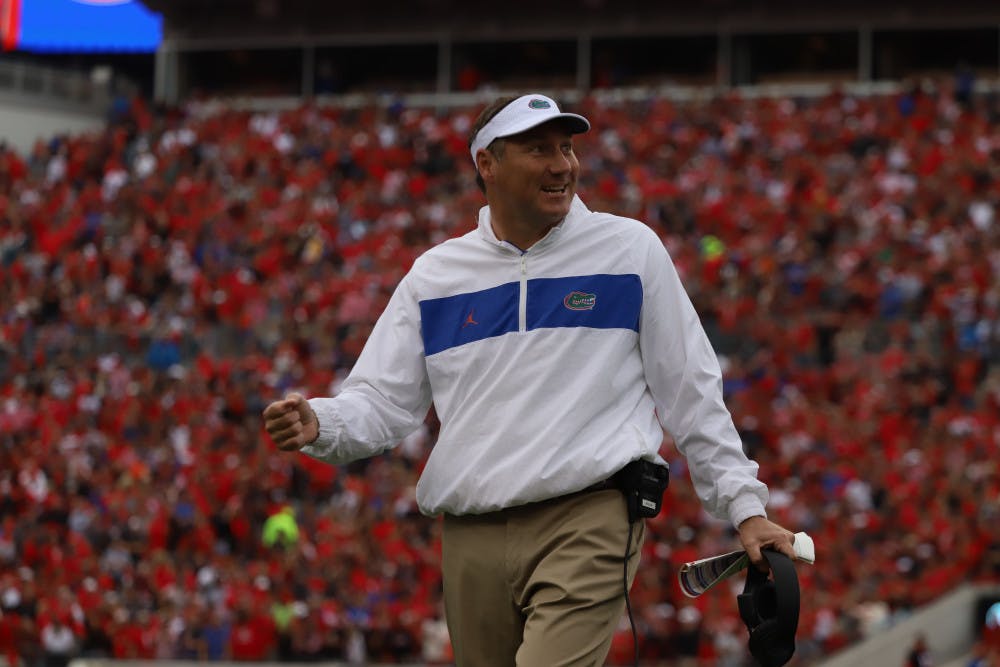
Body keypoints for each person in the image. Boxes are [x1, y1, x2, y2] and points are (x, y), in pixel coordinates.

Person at [263, 92, 797, 666]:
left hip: (588, 517)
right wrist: (323, 422)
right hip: (471, 532)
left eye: (566, 148)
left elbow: (691, 391)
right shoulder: (435, 276)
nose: (563, 165)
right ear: (487, 163)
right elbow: (382, 403)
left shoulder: (629, 251)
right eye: (539, 149)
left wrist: (745, 507)